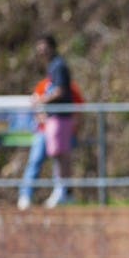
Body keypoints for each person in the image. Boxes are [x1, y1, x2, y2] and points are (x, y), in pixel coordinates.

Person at [21, 35, 76, 208]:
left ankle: (64, 191)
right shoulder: (53, 66)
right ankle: (62, 190)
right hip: (55, 118)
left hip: (60, 117)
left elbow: (60, 91)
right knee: (57, 155)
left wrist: (41, 100)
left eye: (44, 47)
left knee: (61, 156)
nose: (41, 51)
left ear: (51, 47)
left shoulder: (58, 65)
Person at [17, 75, 83, 210]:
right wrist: (42, 119)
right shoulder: (44, 85)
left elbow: (78, 109)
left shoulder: (69, 87)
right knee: (35, 161)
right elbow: (35, 104)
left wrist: (74, 129)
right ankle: (26, 196)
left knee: (60, 162)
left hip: (61, 131)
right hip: (43, 132)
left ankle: (61, 194)